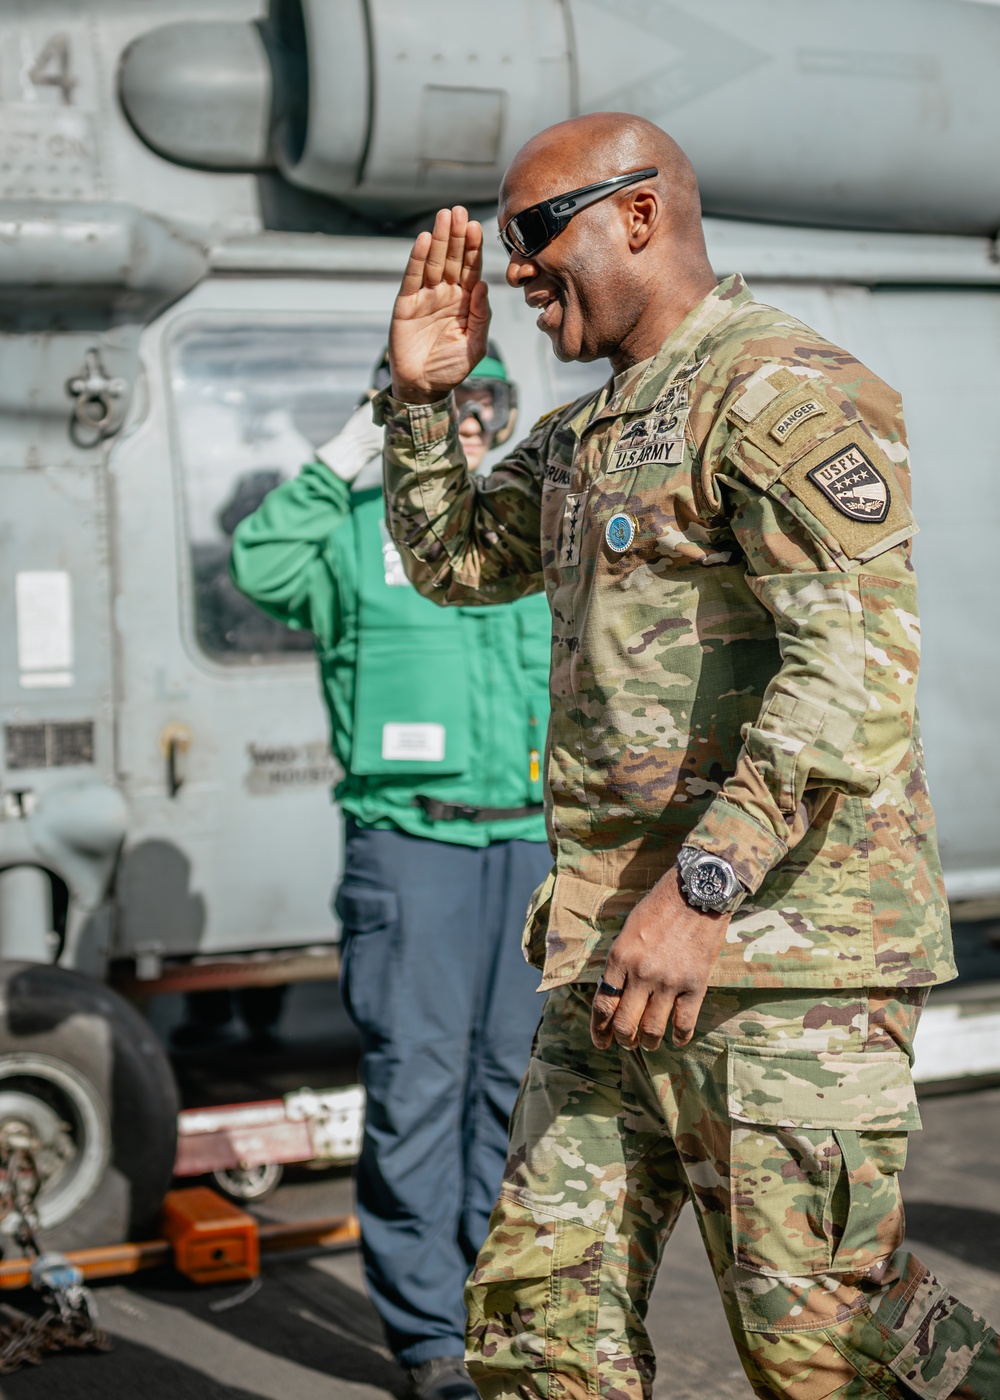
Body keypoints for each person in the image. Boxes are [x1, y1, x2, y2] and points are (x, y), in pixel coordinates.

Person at [376, 112, 1000, 1400]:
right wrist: (423, 404)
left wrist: (701, 889)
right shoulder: (593, 429)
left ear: (639, 214)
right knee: (540, 1329)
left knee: (825, 1347)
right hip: (612, 958)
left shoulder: (780, 388)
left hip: (780, 963)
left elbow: (851, 671)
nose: (515, 268)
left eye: (533, 234)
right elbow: (456, 559)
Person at [229, 346, 551, 1400]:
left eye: (486, 399)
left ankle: (502, 1315)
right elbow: (259, 563)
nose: (468, 419)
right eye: (445, 401)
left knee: (517, 1090)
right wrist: (351, 447)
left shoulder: (533, 531)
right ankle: (432, 1339)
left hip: (536, 847)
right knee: (418, 1087)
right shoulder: (354, 534)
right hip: (411, 846)